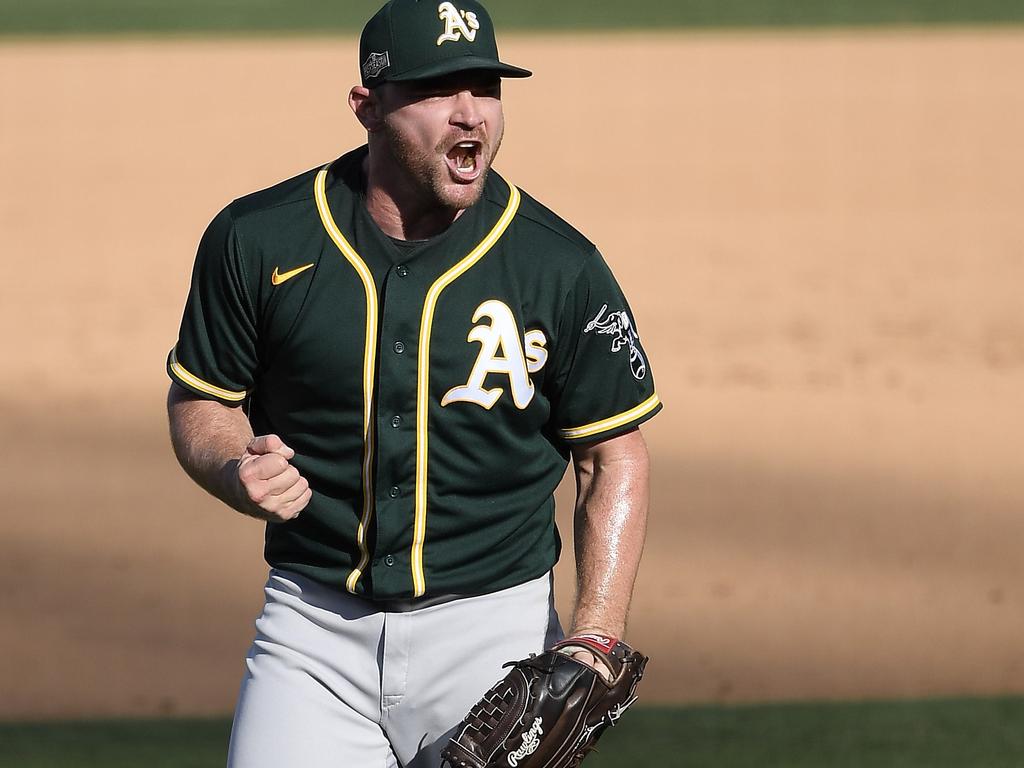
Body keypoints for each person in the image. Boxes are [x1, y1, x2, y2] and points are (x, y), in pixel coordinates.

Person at [166, 1, 661, 765]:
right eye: (437, 91)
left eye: (486, 88)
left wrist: (595, 635)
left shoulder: (559, 265)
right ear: (367, 106)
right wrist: (234, 465)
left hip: (496, 642)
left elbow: (612, 454)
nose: (471, 116)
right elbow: (203, 395)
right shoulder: (259, 238)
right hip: (311, 634)